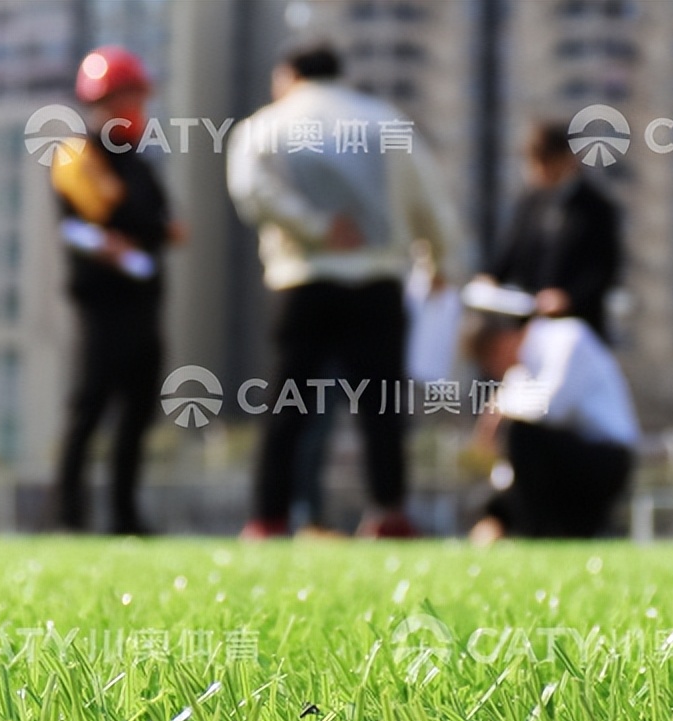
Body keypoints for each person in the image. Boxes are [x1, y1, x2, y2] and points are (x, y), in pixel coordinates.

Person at [227, 42, 461, 539]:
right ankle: (389, 513)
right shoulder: (383, 121)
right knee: (381, 407)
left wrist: (313, 227)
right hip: (376, 283)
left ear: (287, 75)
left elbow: (251, 190)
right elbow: (431, 201)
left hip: (304, 281)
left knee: (288, 406)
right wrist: (439, 261)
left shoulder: (267, 124)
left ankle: (268, 517)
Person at [51, 46, 183, 535]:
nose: (136, 108)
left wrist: (142, 230)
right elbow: (106, 217)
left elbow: (160, 225)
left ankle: (126, 518)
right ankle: (69, 517)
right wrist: (138, 231)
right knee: (88, 408)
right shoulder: (76, 154)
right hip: (101, 306)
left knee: (136, 413)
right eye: (126, 97)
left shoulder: (141, 163)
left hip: (144, 304)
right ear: (101, 102)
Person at [463, 302, 640, 540]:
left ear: (501, 341)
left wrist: (499, 414)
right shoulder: (519, 371)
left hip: (604, 460)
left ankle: (536, 533)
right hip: (567, 462)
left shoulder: (568, 337)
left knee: (521, 434)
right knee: (499, 493)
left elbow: (553, 408)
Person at [488, 121, 622, 342]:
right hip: (528, 326)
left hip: (577, 329)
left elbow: (604, 269)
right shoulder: (530, 202)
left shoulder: (597, 208)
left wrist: (568, 298)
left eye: (545, 162)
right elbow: (512, 250)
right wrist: (490, 279)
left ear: (566, 159)